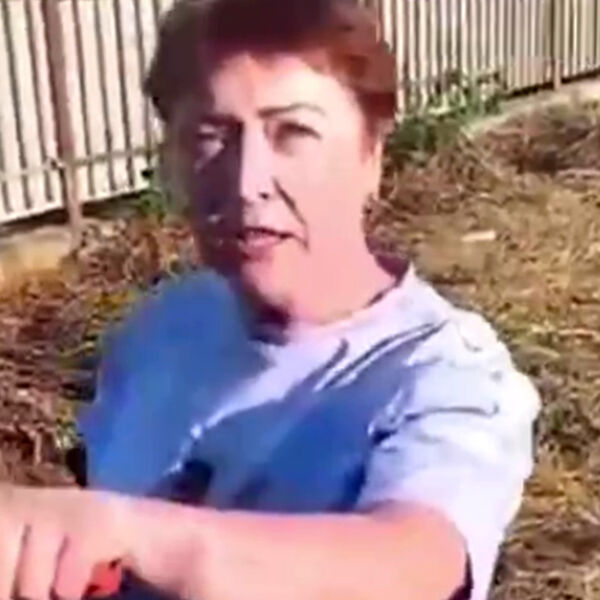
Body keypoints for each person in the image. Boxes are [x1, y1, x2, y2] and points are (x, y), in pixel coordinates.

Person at [0, 0, 539, 599]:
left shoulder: (445, 376)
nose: (246, 181)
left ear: (372, 156)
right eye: (210, 137)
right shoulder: (165, 326)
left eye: (293, 133)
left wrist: (137, 535)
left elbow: (416, 566)